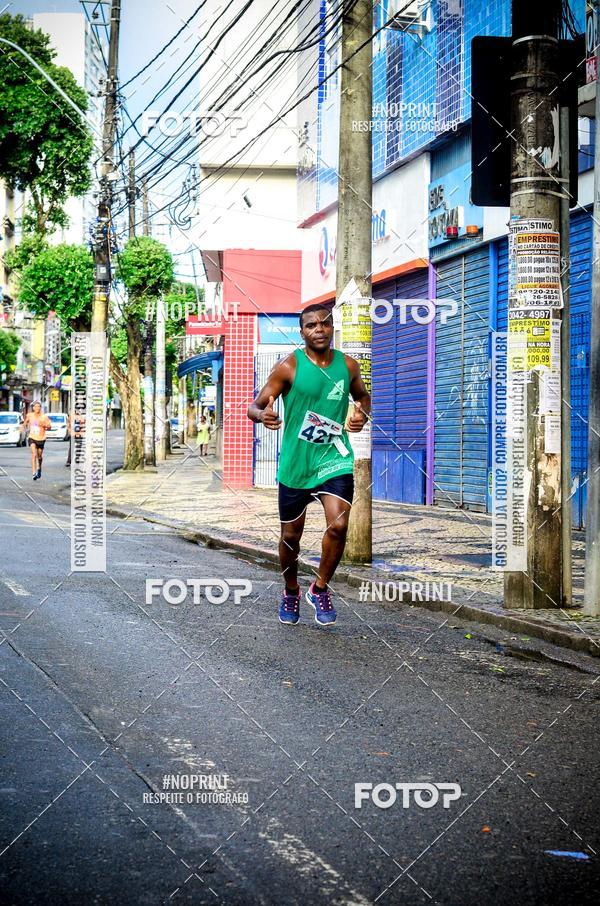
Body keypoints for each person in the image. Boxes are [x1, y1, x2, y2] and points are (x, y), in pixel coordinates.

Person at [247, 303, 371, 627]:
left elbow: (363, 397)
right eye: (311, 325)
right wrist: (263, 415)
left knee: (339, 525)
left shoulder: (348, 366)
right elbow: (255, 406)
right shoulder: (288, 367)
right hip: (296, 463)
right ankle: (291, 590)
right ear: (301, 332)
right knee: (291, 536)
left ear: (332, 328)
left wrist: (361, 414)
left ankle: (319, 588)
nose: (318, 329)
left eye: (324, 324)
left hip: (334, 457)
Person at [22, 401, 51, 480]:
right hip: (32, 437)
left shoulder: (44, 417)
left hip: (41, 438)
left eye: (38, 406)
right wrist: (24, 428)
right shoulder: (29, 415)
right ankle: (34, 472)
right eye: (35, 406)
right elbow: (25, 423)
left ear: (40, 408)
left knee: (39, 456)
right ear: (33, 408)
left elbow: (49, 427)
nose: (37, 408)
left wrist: (45, 425)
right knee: (34, 454)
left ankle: (39, 468)